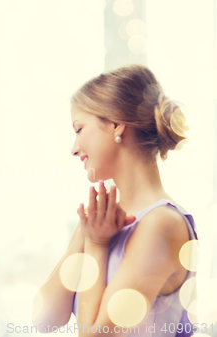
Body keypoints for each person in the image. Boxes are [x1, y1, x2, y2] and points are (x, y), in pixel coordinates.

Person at [33, 65, 196, 336]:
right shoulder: (101, 221)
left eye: (79, 128)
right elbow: (43, 320)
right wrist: (86, 236)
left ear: (116, 125)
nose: (74, 149)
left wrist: (97, 245)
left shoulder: (162, 224)